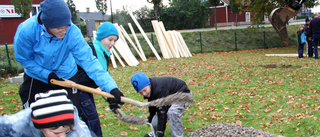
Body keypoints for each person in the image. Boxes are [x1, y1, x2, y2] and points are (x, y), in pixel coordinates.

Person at [14, 0, 124, 112]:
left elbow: (89, 61)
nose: (64, 31)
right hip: (37, 76)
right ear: (47, 25)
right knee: (37, 116)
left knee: (69, 117)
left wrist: (111, 87)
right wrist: (46, 74)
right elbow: (24, 59)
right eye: (59, 28)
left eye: (66, 27)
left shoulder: (72, 32)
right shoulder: (27, 31)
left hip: (66, 75)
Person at [77, 22, 120, 137]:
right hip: (77, 89)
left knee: (91, 118)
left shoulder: (101, 51)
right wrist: (110, 95)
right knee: (92, 119)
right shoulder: (93, 49)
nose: (112, 43)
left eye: (115, 40)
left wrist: (111, 98)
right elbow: (98, 76)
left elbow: (100, 79)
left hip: (86, 89)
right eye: (110, 39)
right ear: (101, 37)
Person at [0, 89, 92, 137]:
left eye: (66, 131)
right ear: (42, 128)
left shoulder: (79, 132)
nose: (63, 136)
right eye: (56, 133)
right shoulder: (16, 125)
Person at [130, 72, 193, 137]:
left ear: (149, 85)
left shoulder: (159, 89)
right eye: (141, 92)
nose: (144, 94)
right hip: (169, 98)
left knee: (172, 112)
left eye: (144, 90)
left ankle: (177, 135)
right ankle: (154, 134)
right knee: (155, 121)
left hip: (183, 95)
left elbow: (162, 113)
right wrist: (151, 117)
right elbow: (153, 104)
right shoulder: (151, 89)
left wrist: (161, 132)